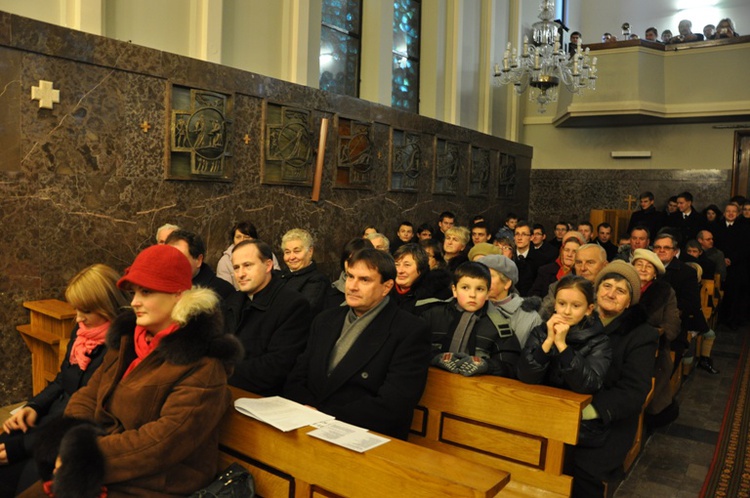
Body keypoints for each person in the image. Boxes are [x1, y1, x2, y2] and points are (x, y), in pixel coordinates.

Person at [20, 245, 243, 497]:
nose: (135, 302)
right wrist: (70, 437)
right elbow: (90, 392)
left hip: (157, 482)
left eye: (146, 292)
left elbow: (162, 442)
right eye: (135, 292)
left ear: (179, 295)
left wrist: (83, 455)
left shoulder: (203, 363)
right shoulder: (128, 340)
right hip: (106, 460)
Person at [0, 265, 130, 496]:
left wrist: (26, 445)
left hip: (80, 432)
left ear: (108, 306)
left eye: (86, 311)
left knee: (23, 474)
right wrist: (33, 407)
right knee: (7, 439)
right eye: (76, 309)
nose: (78, 318)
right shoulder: (81, 333)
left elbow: (95, 410)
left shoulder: (121, 347)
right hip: (54, 420)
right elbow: (62, 380)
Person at [284, 248, 431, 440]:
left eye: (364, 280)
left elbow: (393, 405)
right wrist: (310, 412)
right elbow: (296, 377)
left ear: (386, 287)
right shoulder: (325, 320)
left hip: (366, 436)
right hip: (308, 424)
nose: (352, 286)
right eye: (350, 276)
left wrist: (324, 415)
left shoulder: (410, 330)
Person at [570, 261, 658, 497]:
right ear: (596, 291)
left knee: (581, 471)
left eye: (620, 291)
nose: (611, 293)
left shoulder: (641, 334)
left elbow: (633, 391)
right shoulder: (577, 318)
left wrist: (589, 411)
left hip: (608, 420)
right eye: (606, 286)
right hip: (566, 407)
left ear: (629, 301)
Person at [223, 240, 312, 395]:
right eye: (236, 268)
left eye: (248, 265)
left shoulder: (293, 305)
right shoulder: (231, 301)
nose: (241, 274)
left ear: (268, 265)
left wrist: (220, 371)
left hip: (265, 398)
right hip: (226, 389)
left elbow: (277, 367)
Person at [421, 262, 521, 379]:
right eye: (465, 288)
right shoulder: (432, 315)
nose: (472, 295)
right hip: (432, 383)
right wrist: (435, 358)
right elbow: (412, 349)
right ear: (454, 290)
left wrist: (487, 365)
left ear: (488, 293)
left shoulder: (499, 326)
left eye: (480, 289)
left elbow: (512, 366)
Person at [517, 275, 610, 397]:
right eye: (561, 304)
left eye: (576, 306)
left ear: (589, 309)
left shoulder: (599, 340)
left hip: (572, 407)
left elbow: (590, 384)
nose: (567, 311)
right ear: (555, 304)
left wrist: (562, 346)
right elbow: (525, 376)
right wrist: (549, 340)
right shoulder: (540, 332)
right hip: (536, 400)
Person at [631, 249, 681, 426]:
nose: (643, 269)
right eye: (639, 265)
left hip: (653, 347)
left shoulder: (665, 292)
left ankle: (648, 417)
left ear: (654, 273)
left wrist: (651, 335)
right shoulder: (623, 286)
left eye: (648, 267)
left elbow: (672, 325)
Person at [478, 255, 542, 348]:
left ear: (507, 283)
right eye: (479, 276)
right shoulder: (470, 307)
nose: (482, 281)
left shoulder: (530, 318)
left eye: (489, 276)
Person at [166, 229, 235, 299]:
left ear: (198, 260)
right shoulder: (160, 288)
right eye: (169, 258)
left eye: (180, 259)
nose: (173, 264)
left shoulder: (222, 292)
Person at [278, 228, 330, 316]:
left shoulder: (317, 280)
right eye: (287, 252)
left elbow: (303, 313)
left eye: (296, 251)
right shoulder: (279, 276)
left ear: (310, 251)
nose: (291, 257)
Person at [390, 243, 451, 315]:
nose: (400, 270)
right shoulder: (383, 292)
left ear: (421, 268)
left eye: (407, 265)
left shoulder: (434, 299)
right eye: (397, 264)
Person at [216, 221, 280, 289]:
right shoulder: (225, 261)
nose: (242, 240)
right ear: (233, 240)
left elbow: (277, 278)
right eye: (238, 237)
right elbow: (225, 289)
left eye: (246, 237)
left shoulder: (266, 254)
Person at [325, 237, 374, 309]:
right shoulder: (332, 291)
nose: (352, 265)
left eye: (358, 260)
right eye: (349, 260)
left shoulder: (376, 291)